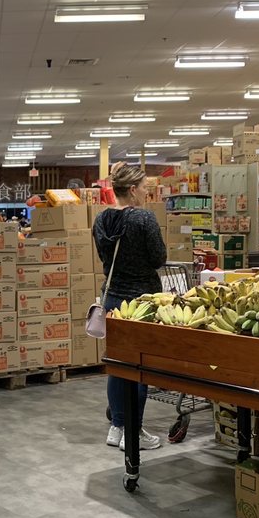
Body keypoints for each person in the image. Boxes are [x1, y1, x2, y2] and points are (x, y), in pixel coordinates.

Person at [92, 163, 167, 454]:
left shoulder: (101, 220)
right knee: (139, 367)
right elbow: (158, 258)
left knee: (117, 365)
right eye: (145, 188)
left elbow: (104, 257)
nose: (147, 192)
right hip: (141, 301)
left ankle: (118, 427)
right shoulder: (144, 219)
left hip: (112, 299)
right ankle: (134, 432)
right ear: (133, 190)